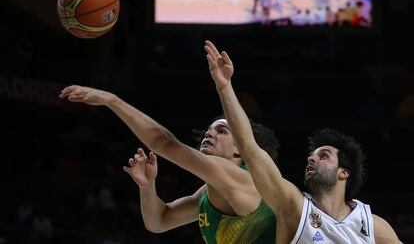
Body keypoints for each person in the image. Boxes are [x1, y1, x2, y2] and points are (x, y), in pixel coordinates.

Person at [203, 40, 403, 243]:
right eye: (311, 156)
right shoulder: (293, 206)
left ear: (344, 172)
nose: (311, 159)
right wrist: (225, 87)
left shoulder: (373, 225)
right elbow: (249, 147)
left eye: (323, 156)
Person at [59, 85, 280, 243]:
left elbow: (164, 143)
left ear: (239, 149)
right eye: (209, 129)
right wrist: (147, 187)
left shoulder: (241, 177)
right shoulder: (208, 192)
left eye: (221, 131)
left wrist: (112, 101)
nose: (210, 133)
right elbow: (159, 221)